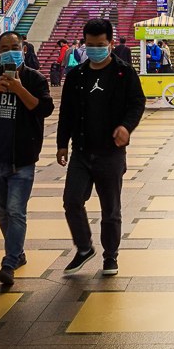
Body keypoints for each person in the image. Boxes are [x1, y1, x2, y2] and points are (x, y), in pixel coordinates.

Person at [57, 18, 145, 277]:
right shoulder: (76, 75)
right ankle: (84, 248)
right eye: (90, 44)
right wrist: (62, 143)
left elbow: (137, 103)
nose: (95, 48)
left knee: (110, 209)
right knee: (72, 201)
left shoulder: (124, 72)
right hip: (81, 152)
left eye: (101, 44)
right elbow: (67, 113)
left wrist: (126, 127)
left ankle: (110, 256)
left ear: (111, 43)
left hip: (111, 153)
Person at [0, 30, 55, 285]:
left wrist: (19, 89)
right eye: (4, 48)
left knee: (16, 212)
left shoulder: (35, 79)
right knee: (3, 213)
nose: (9, 52)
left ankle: (8, 263)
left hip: (22, 161)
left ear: (23, 49)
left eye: (14, 47)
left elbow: (44, 109)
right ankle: (18, 253)